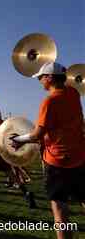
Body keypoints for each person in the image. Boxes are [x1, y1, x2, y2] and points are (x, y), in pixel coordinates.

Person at [11, 62, 85, 239]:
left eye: (41, 78)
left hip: (57, 161)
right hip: (80, 157)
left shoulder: (49, 101)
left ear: (49, 78)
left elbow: (38, 133)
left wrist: (19, 139)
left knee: (59, 208)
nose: (39, 81)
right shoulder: (73, 93)